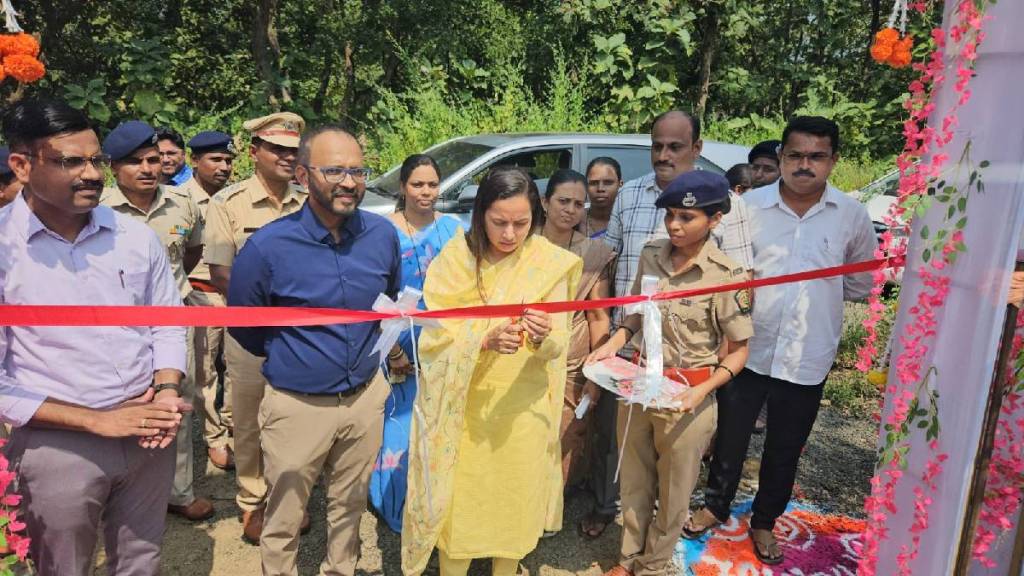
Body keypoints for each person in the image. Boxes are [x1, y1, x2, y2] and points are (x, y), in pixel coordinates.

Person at [0, 97, 188, 576]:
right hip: (57, 446)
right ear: (22, 165)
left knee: (140, 560)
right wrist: (94, 422)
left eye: (96, 160)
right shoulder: (3, 250)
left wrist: (167, 389)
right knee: (63, 566)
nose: (91, 174)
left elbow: (167, 320)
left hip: (148, 431)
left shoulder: (133, 237)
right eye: (71, 161)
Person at [686, 117, 877, 565]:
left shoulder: (851, 216)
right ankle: (715, 505)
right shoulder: (746, 208)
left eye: (816, 156)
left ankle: (765, 521)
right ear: (781, 158)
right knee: (730, 436)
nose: (804, 165)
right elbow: (726, 273)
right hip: (747, 348)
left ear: (833, 161)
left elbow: (859, 285)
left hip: (808, 353)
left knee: (785, 446)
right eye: (795, 155)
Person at [228, 124, 401, 576]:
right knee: (284, 517)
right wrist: (300, 357)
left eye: (358, 171)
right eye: (335, 171)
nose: (350, 182)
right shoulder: (268, 247)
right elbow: (246, 328)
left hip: (364, 399)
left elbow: (388, 304)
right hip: (296, 407)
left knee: (349, 509)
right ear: (303, 175)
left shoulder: (382, 236)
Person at [402, 166, 582, 576]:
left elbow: (559, 344)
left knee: (512, 511)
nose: (509, 234)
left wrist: (540, 337)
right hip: (466, 416)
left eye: (521, 223)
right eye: (499, 222)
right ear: (480, 214)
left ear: (535, 219)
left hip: (522, 416)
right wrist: (482, 340)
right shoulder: (457, 258)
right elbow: (433, 336)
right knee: (462, 512)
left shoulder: (550, 264)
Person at [588, 170, 752, 576]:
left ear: (714, 220)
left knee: (674, 491)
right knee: (634, 480)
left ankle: (652, 565)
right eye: (670, 216)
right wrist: (613, 341)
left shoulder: (727, 275)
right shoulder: (651, 255)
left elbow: (739, 352)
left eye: (687, 218)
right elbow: (638, 317)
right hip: (642, 385)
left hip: (688, 395)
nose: (675, 226)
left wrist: (702, 393)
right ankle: (627, 560)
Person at [100, 120, 213, 522]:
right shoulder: (98, 209)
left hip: (174, 317)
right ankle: (116, 486)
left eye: (153, 160)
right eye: (135, 162)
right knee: (120, 399)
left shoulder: (182, 202)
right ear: (113, 167)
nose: (148, 168)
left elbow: (192, 254)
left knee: (176, 400)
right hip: (118, 324)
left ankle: (179, 492)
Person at [203, 111, 308, 543]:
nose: (286, 157)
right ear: (254, 152)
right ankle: (252, 502)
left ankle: (291, 501)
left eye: (292, 150)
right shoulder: (228, 204)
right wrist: (270, 310)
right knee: (248, 422)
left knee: (297, 419)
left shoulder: (309, 201)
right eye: (277, 149)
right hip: (249, 332)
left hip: (300, 335)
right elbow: (221, 272)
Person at [369, 154, 462, 533]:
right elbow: (371, 291)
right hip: (393, 338)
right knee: (396, 423)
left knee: (436, 421)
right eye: (417, 184)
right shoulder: (380, 230)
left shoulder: (455, 229)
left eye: (432, 184)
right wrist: (393, 350)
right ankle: (391, 502)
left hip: (440, 340)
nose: (426, 192)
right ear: (402, 187)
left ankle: (433, 500)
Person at [539, 169, 616, 490]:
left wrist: (596, 372)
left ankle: (554, 503)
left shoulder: (593, 254)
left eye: (578, 204)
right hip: (523, 357)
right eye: (563, 201)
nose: (570, 209)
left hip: (571, 362)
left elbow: (599, 316)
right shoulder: (521, 244)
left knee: (566, 435)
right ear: (545, 203)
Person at [178, 130, 237, 471]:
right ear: (194, 161)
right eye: (215, 159)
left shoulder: (233, 199)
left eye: (228, 160)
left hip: (237, 295)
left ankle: (234, 427)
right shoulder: (179, 199)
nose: (224, 167)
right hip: (200, 295)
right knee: (203, 373)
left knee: (237, 367)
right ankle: (214, 437)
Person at [583, 156, 623, 238]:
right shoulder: (575, 221)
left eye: (608, 183)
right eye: (594, 183)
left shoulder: (629, 221)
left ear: (620, 185)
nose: (600, 189)